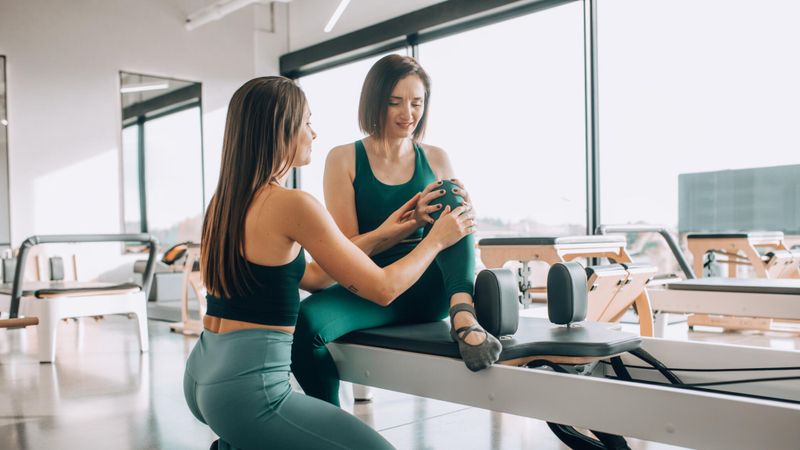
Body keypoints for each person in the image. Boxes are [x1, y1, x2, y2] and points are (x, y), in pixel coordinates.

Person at [183, 76, 474, 450]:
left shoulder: (223, 205)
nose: (313, 133)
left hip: (202, 370)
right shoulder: (293, 204)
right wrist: (437, 240)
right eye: (306, 122)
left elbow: (315, 276)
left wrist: (388, 233)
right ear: (280, 130)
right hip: (247, 391)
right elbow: (384, 289)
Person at [292, 54, 502, 407]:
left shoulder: (436, 157)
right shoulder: (343, 158)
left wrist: (456, 214)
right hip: (370, 287)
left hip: (431, 288)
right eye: (395, 102)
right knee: (303, 322)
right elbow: (347, 252)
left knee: (451, 194)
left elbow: (457, 230)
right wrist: (409, 224)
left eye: (417, 103)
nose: (408, 113)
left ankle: (463, 315)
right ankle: (330, 422)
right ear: (375, 101)